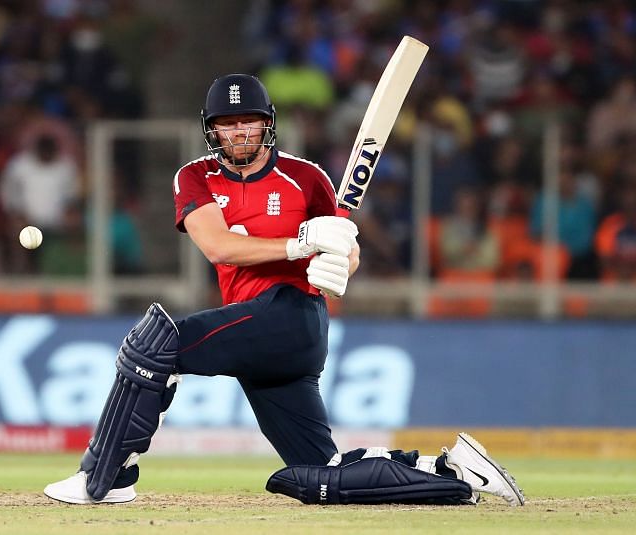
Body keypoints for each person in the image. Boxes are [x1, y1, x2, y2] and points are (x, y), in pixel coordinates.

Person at [43, 74, 524, 507]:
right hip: (258, 329)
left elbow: (342, 244)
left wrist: (342, 266)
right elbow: (218, 247)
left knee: (155, 344)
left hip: (293, 316)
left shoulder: (306, 177)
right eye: (227, 124)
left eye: (248, 122)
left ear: (268, 125)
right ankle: (455, 474)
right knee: (323, 473)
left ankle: (104, 477)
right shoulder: (195, 177)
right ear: (212, 130)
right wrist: (300, 244)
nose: (239, 133)